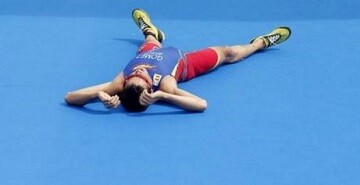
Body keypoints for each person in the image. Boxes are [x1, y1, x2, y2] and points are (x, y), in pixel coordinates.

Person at [64, 8, 291, 113]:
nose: (140, 73)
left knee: (152, 38)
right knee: (228, 53)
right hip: (187, 61)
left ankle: (151, 30)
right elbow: (202, 104)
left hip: (150, 49)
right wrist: (164, 95)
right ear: (149, 89)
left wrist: (96, 94)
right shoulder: (164, 85)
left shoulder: (119, 84)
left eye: (136, 77)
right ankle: (262, 42)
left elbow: (69, 97)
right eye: (143, 80)